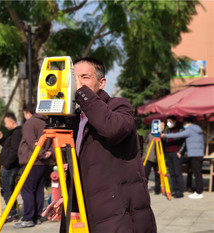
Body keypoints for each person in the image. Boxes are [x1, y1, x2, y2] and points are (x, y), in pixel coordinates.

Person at [43, 57, 157, 232]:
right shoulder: (75, 117)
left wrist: (81, 91)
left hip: (118, 211)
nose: (77, 82)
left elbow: (113, 128)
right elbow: (79, 168)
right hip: (88, 208)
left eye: (84, 77)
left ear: (102, 83)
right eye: (73, 77)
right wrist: (68, 199)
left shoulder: (119, 106)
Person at [14, 103, 53, 228]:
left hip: (32, 162)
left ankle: (28, 218)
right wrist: (48, 154)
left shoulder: (30, 123)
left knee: (28, 190)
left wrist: (41, 154)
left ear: (27, 112)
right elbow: (53, 142)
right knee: (38, 190)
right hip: (44, 163)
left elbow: (31, 143)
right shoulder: (48, 122)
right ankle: (37, 216)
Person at [161, 117, 205, 199]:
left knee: (196, 174)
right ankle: (197, 191)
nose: (184, 126)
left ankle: (198, 192)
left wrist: (165, 135)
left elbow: (178, 135)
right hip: (197, 153)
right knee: (197, 173)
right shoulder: (198, 130)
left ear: (188, 123)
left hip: (193, 154)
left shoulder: (190, 129)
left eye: (184, 124)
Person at [0, 112, 22, 222]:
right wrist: (1, 139)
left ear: (12, 122)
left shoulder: (17, 133)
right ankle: (13, 211)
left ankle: (12, 213)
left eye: (6, 122)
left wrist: (6, 165)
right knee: (7, 190)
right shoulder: (12, 133)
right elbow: (8, 147)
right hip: (9, 165)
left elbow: (14, 151)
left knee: (7, 190)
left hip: (11, 166)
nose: (5, 125)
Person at [164, 115, 185, 198]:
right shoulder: (167, 131)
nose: (168, 123)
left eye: (170, 121)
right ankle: (175, 190)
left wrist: (180, 152)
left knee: (177, 172)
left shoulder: (179, 130)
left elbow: (184, 142)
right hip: (168, 153)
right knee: (172, 173)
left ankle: (180, 191)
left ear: (174, 121)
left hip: (176, 153)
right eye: (167, 121)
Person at [142, 121, 165, 195]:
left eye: (163, 126)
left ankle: (157, 190)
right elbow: (145, 143)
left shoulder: (163, 135)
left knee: (158, 175)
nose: (161, 127)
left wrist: (162, 137)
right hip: (148, 157)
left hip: (158, 158)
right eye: (160, 125)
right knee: (145, 175)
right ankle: (143, 190)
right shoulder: (149, 133)